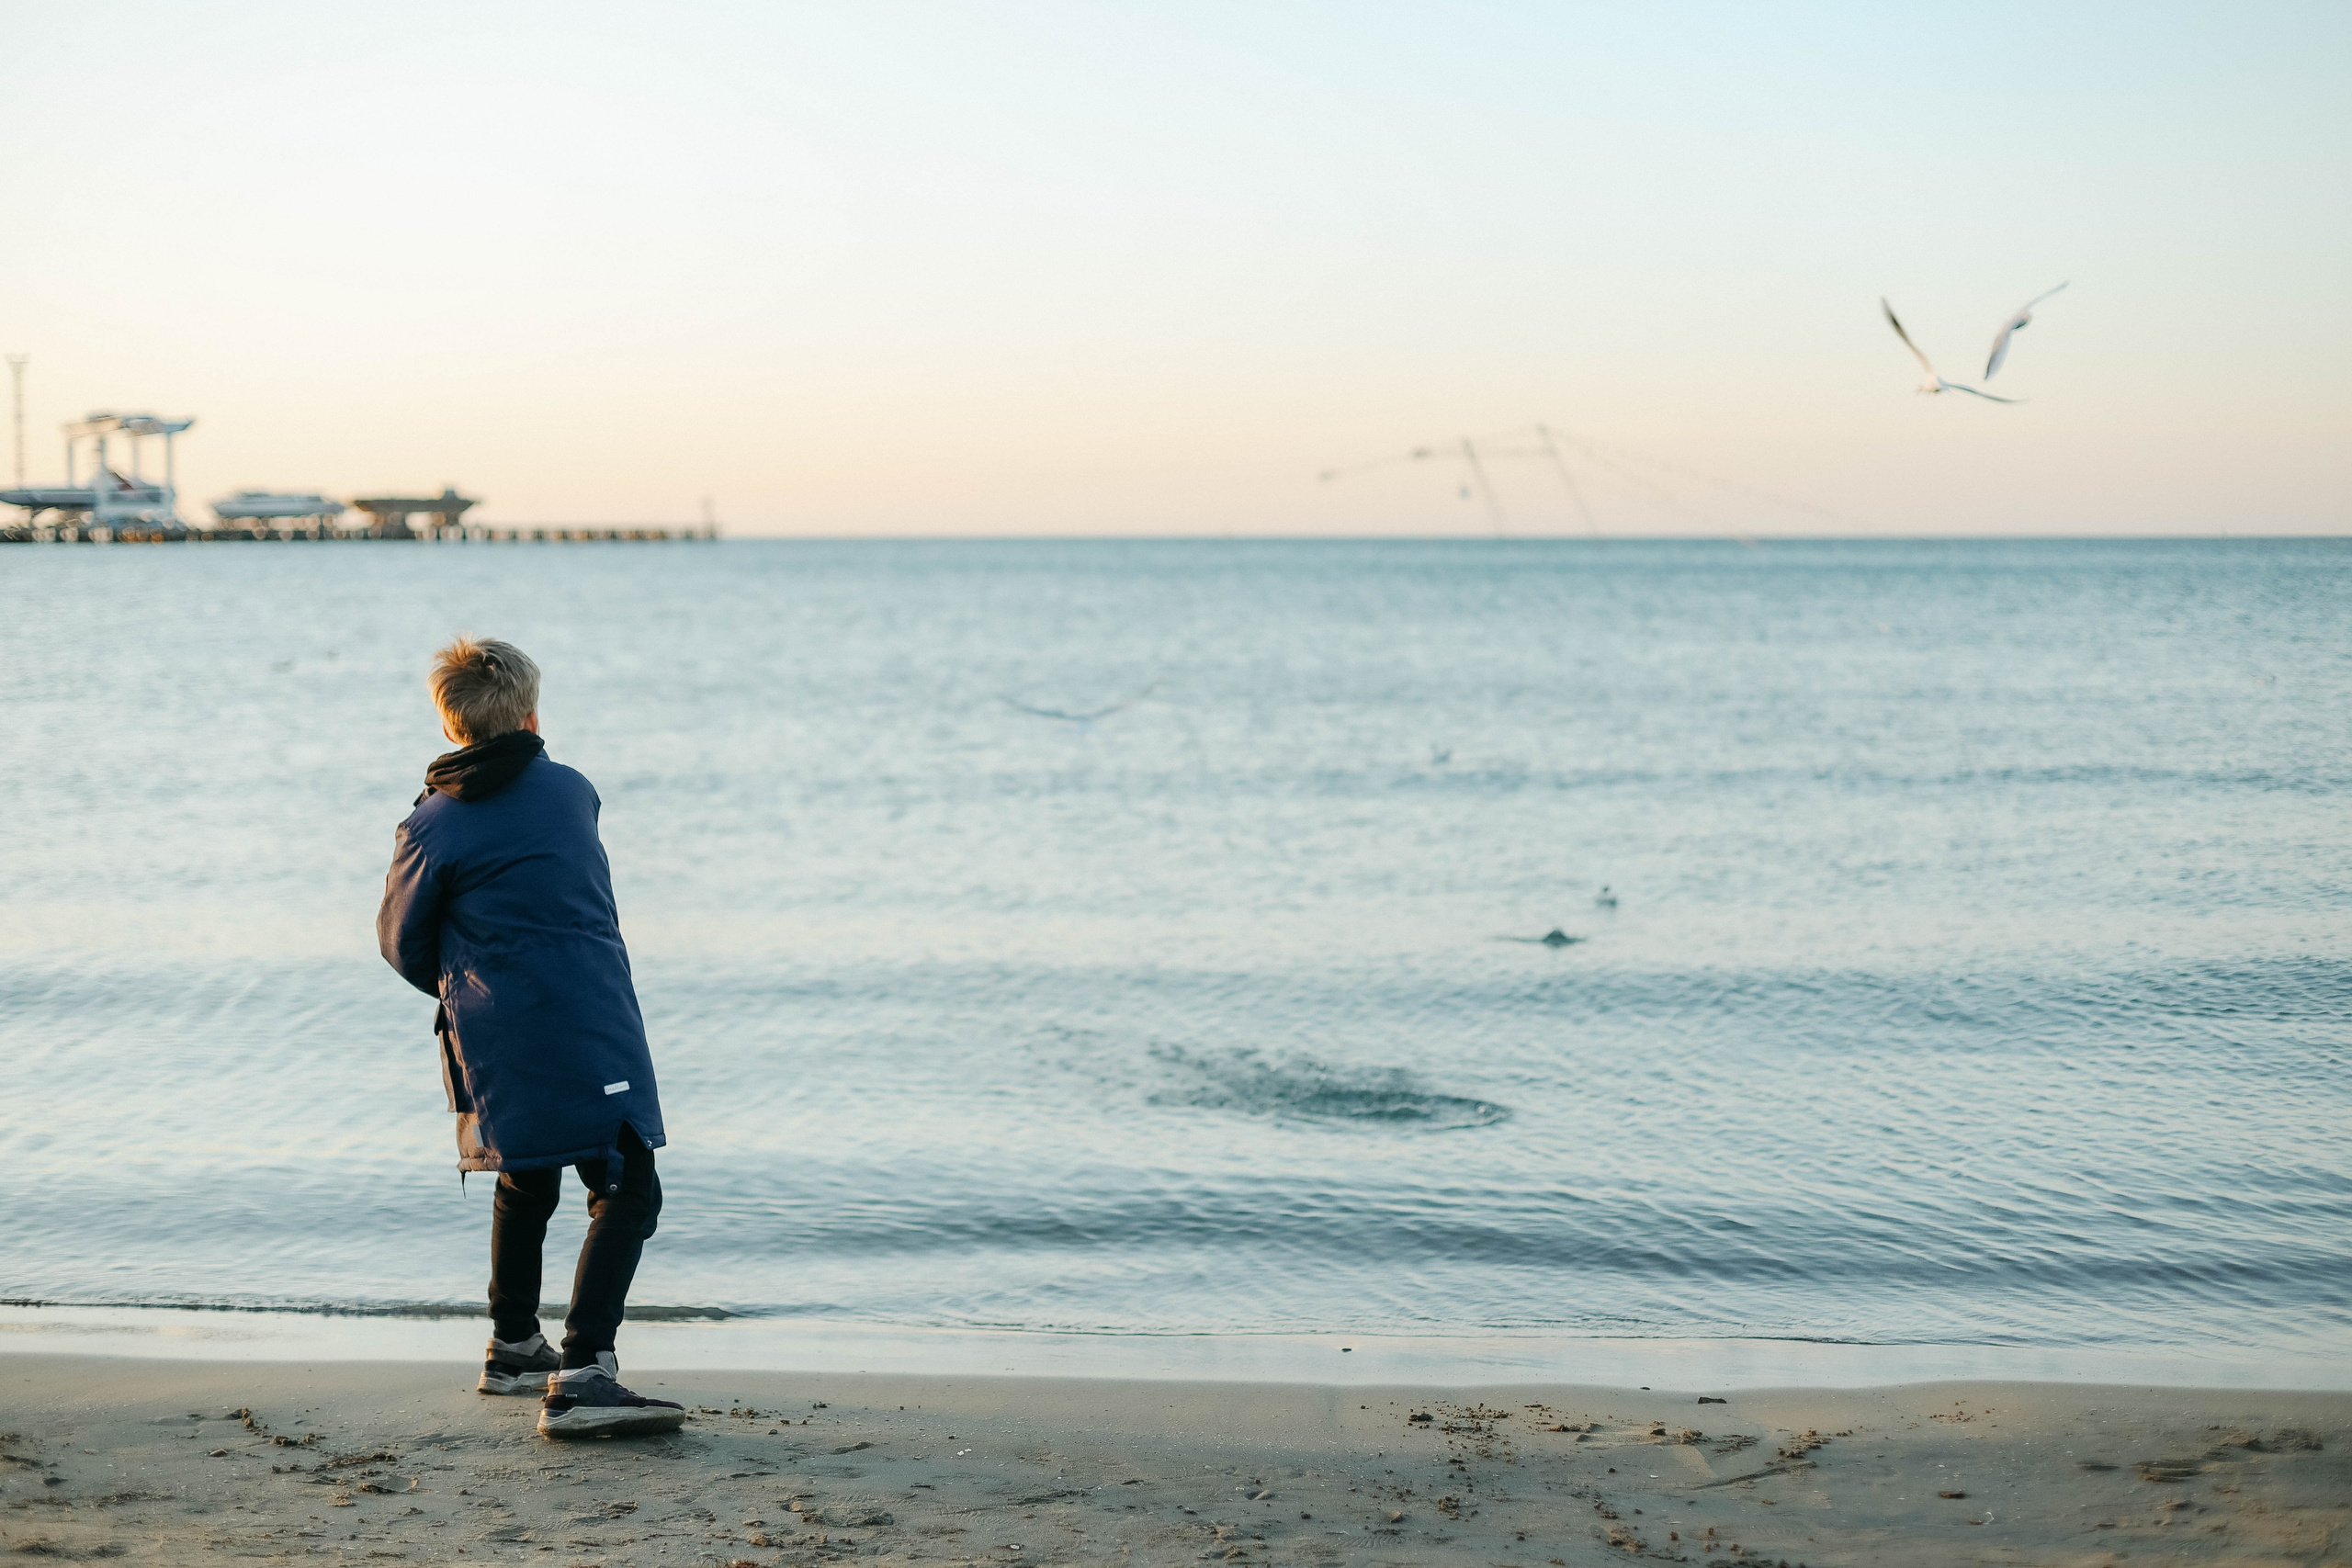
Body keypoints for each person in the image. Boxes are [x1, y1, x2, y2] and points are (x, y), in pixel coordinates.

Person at [376, 635, 684, 1439]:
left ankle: (514, 1345)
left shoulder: (428, 824)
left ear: (452, 727)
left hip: (489, 1033)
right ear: (532, 711)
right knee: (626, 1181)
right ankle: (582, 1371)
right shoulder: (572, 790)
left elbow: (402, 943)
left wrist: (474, 994)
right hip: (586, 1015)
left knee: (525, 1174)